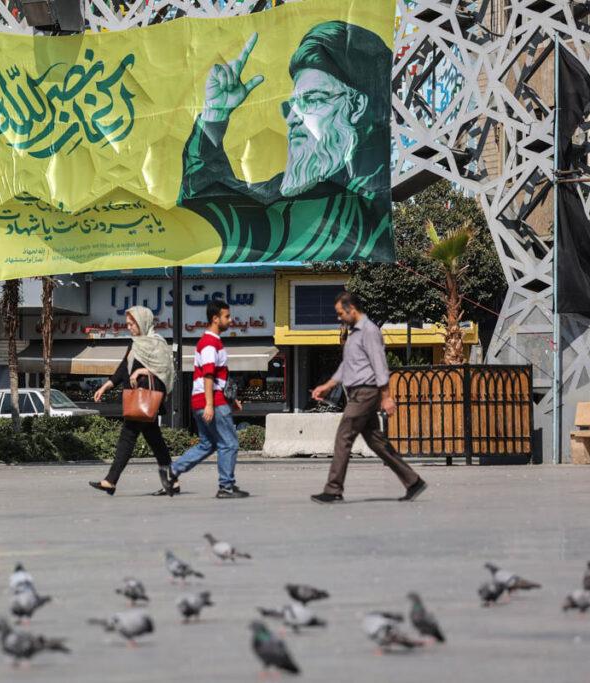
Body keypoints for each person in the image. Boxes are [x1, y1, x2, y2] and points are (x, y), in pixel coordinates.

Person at [178, 21, 393, 264]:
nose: (292, 119)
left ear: (356, 107)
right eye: (291, 106)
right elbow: (203, 204)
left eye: (311, 100)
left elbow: (223, 219)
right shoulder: (290, 191)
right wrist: (215, 115)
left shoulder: (365, 203)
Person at [309, 292, 426, 504]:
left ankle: (333, 489)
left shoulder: (369, 331)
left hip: (365, 392)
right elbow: (348, 365)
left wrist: (387, 397)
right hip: (358, 392)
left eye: (340, 313)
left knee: (343, 437)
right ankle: (413, 481)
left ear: (352, 309)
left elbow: (379, 363)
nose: (339, 318)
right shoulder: (354, 333)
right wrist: (327, 386)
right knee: (376, 442)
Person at [162, 300, 249, 499]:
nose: (230, 320)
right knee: (229, 443)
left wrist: (231, 400)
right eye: (227, 316)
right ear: (215, 318)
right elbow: (208, 376)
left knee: (207, 444)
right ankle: (225, 487)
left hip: (204, 401)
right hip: (212, 402)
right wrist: (211, 404)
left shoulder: (209, 342)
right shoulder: (210, 342)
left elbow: (217, 377)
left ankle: (174, 470)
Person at [88, 306, 176, 496]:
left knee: (127, 437)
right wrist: (105, 386)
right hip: (136, 399)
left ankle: (110, 481)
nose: (128, 327)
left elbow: (166, 370)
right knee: (156, 442)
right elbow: (122, 369)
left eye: (131, 323)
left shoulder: (157, 343)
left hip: (146, 399)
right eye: (127, 323)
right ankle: (172, 481)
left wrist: (142, 371)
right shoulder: (135, 344)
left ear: (143, 322)